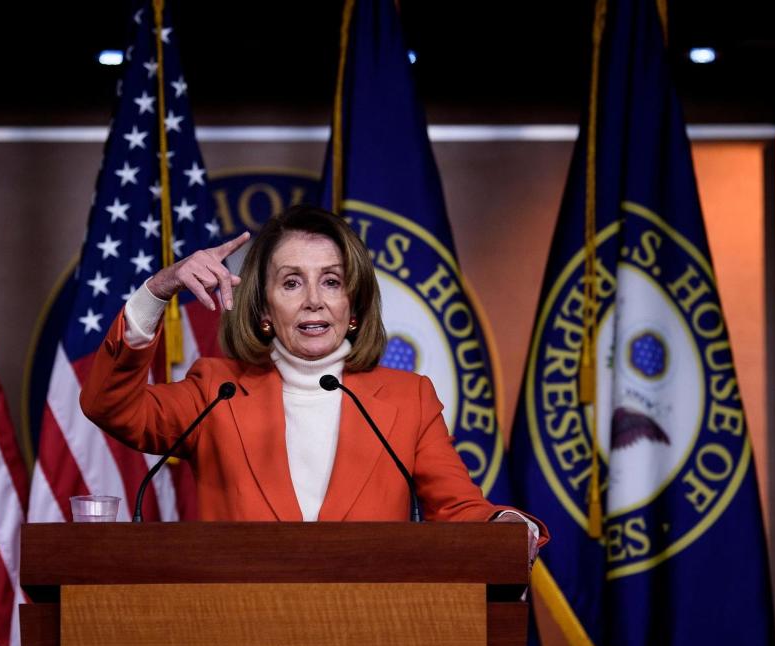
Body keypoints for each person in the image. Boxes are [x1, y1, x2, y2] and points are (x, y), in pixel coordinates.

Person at [81, 205, 546, 550]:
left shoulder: (409, 400)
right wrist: (157, 292)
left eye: (331, 281)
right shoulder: (216, 391)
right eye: (291, 282)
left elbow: (459, 508)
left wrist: (504, 526)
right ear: (263, 310)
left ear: (354, 304)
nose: (313, 301)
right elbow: (110, 405)